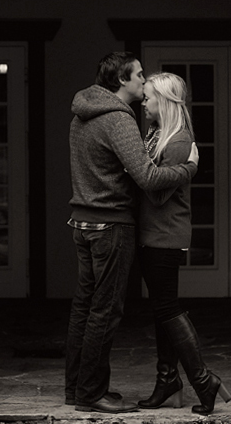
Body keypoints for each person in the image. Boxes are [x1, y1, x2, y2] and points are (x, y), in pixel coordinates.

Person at [65, 52, 199, 414]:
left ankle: (76, 387)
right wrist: (188, 168)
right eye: (139, 76)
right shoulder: (118, 119)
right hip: (110, 224)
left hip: (82, 221)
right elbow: (149, 179)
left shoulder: (81, 113)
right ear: (122, 80)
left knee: (84, 307)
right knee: (105, 312)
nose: (144, 83)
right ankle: (91, 393)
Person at [136, 72, 231, 415]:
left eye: (148, 97)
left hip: (165, 235)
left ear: (163, 101)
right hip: (153, 235)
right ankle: (168, 381)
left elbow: (157, 192)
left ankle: (203, 381)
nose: (143, 102)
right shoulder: (155, 135)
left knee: (167, 309)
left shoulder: (177, 141)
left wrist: (142, 171)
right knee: (162, 310)